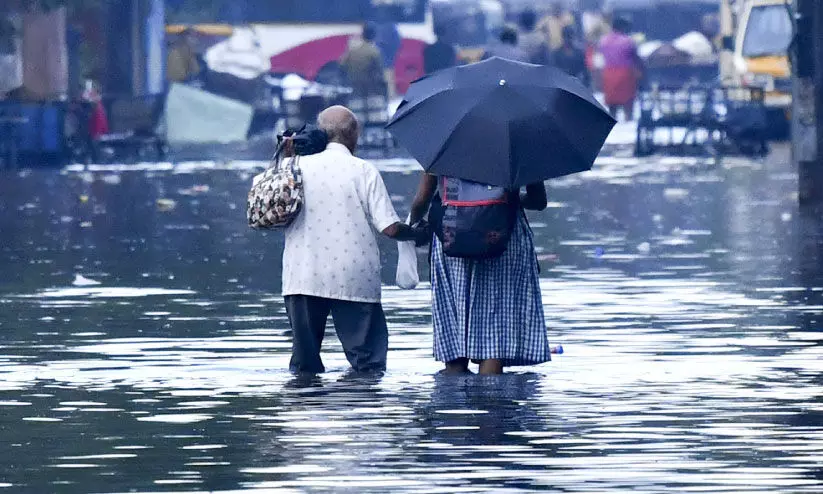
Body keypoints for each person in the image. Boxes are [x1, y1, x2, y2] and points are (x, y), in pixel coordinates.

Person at [281, 106, 428, 374]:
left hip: (303, 274)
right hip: (353, 277)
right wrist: (418, 233)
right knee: (368, 362)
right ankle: (363, 410)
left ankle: (304, 410)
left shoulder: (294, 167)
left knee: (304, 364)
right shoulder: (363, 170)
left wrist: (287, 156)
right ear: (354, 134)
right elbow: (390, 229)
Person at [408, 175, 551, 375]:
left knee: (454, 331)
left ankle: (453, 400)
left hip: (451, 239)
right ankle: (491, 398)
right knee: (495, 336)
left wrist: (412, 227)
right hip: (503, 240)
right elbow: (538, 201)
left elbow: (422, 200)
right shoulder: (515, 147)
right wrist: (513, 197)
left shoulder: (444, 148)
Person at [599, 16, 642, 121]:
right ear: (623, 27)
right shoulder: (628, 41)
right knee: (627, 103)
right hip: (625, 74)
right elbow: (635, 57)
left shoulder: (603, 41)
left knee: (612, 104)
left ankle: (612, 123)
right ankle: (628, 120)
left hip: (608, 74)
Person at [340, 23, 386, 97]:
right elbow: (379, 71)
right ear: (374, 36)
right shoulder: (374, 52)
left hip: (353, 85)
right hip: (369, 88)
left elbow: (342, 65)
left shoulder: (352, 50)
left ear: (363, 35)